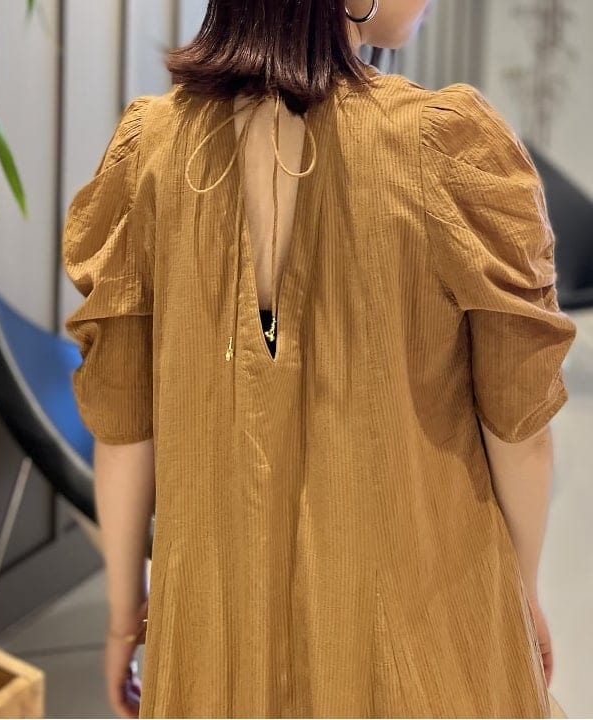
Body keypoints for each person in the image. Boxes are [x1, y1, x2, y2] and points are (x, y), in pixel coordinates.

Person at [62, 0, 577, 717]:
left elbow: (122, 428)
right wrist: (520, 594)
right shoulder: (446, 147)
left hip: (213, 638)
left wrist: (127, 612)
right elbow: (519, 429)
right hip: (420, 623)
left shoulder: (148, 150)